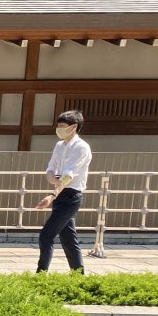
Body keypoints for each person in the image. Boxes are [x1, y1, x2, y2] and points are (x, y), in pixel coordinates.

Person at [35, 109, 92, 274]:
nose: (59, 129)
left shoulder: (81, 147)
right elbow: (50, 169)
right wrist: (53, 180)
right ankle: (78, 275)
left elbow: (68, 175)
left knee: (46, 235)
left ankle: (41, 274)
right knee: (68, 238)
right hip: (60, 195)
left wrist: (52, 195)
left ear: (74, 127)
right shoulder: (59, 146)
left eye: (62, 126)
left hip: (71, 197)